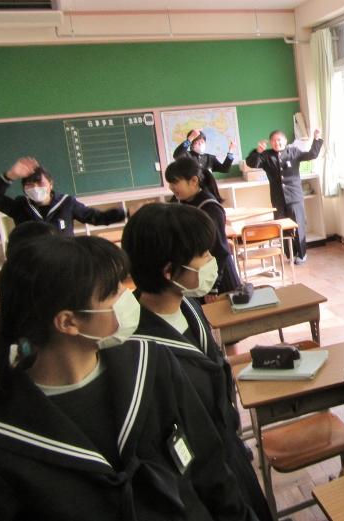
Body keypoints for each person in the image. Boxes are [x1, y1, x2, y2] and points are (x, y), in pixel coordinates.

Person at [0, 235, 250, 520]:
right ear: (68, 321)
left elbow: (210, 467)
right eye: (113, 292)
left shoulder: (151, 363)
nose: (127, 297)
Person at [122, 203, 271, 521]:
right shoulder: (138, 347)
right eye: (202, 254)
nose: (212, 260)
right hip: (198, 485)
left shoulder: (189, 306)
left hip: (229, 455)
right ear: (168, 272)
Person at [0, 157, 125, 236]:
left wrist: (125, 213)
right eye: (29, 184)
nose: (35, 187)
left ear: (50, 184)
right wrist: (11, 175)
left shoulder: (67, 203)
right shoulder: (20, 206)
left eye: (39, 182)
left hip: (65, 264)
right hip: (33, 267)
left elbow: (96, 217)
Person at [165, 157, 241, 301]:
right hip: (195, 274)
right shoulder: (180, 201)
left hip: (217, 278)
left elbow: (220, 250)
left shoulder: (210, 208)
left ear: (194, 181)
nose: (171, 187)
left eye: (175, 182)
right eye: (170, 183)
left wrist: (213, 287)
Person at [245, 129, 323, 264]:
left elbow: (312, 154)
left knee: (298, 225)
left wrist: (316, 139)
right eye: (274, 140)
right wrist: (257, 151)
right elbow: (251, 163)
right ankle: (290, 254)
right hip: (278, 198)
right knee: (282, 226)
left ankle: (302, 254)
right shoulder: (266, 155)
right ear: (271, 143)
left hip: (294, 196)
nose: (277, 143)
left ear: (285, 141)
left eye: (279, 140)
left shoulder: (293, 152)